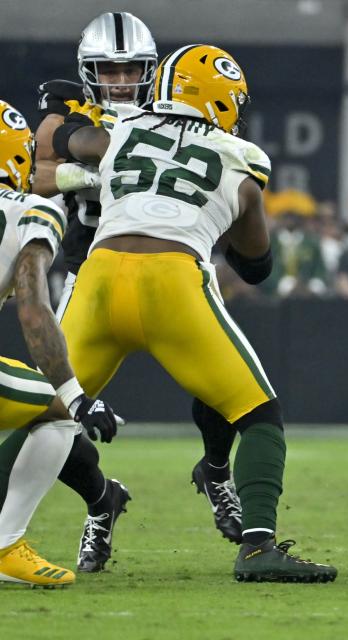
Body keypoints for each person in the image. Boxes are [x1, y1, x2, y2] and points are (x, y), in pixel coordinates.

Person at [51, 44, 336, 582]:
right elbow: (256, 267)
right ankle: (256, 547)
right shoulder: (241, 156)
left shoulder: (121, 130)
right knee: (257, 416)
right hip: (172, 282)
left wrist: (62, 124)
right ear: (225, 101)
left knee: (42, 417)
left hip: (98, 277)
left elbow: (60, 140)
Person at [33, 12, 241, 570]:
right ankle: (101, 500)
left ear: (151, 72)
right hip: (93, 266)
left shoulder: (172, 109)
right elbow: (36, 167)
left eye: (132, 70)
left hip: (177, 259)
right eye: (109, 70)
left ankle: (217, 471)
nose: (122, 82)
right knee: (52, 411)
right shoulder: (72, 114)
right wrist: (82, 175)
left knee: (225, 385)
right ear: (88, 72)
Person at [0, 99, 118, 587]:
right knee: (60, 414)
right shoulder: (29, 209)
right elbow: (32, 305)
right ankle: (5, 544)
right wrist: (75, 394)